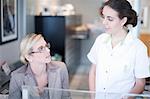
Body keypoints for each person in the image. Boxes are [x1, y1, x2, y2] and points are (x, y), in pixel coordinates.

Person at [87, 0, 150, 98]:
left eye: (110, 19)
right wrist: (93, 96)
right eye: (104, 17)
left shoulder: (138, 48)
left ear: (123, 21)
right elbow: (93, 72)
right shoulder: (100, 40)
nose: (104, 22)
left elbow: (140, 84)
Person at [8, 33, 71, 99]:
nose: (48, 50)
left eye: (46, 46)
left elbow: (66, 97)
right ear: (29, 57)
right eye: (41, 48)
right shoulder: (17, 77)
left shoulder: (61, 68)